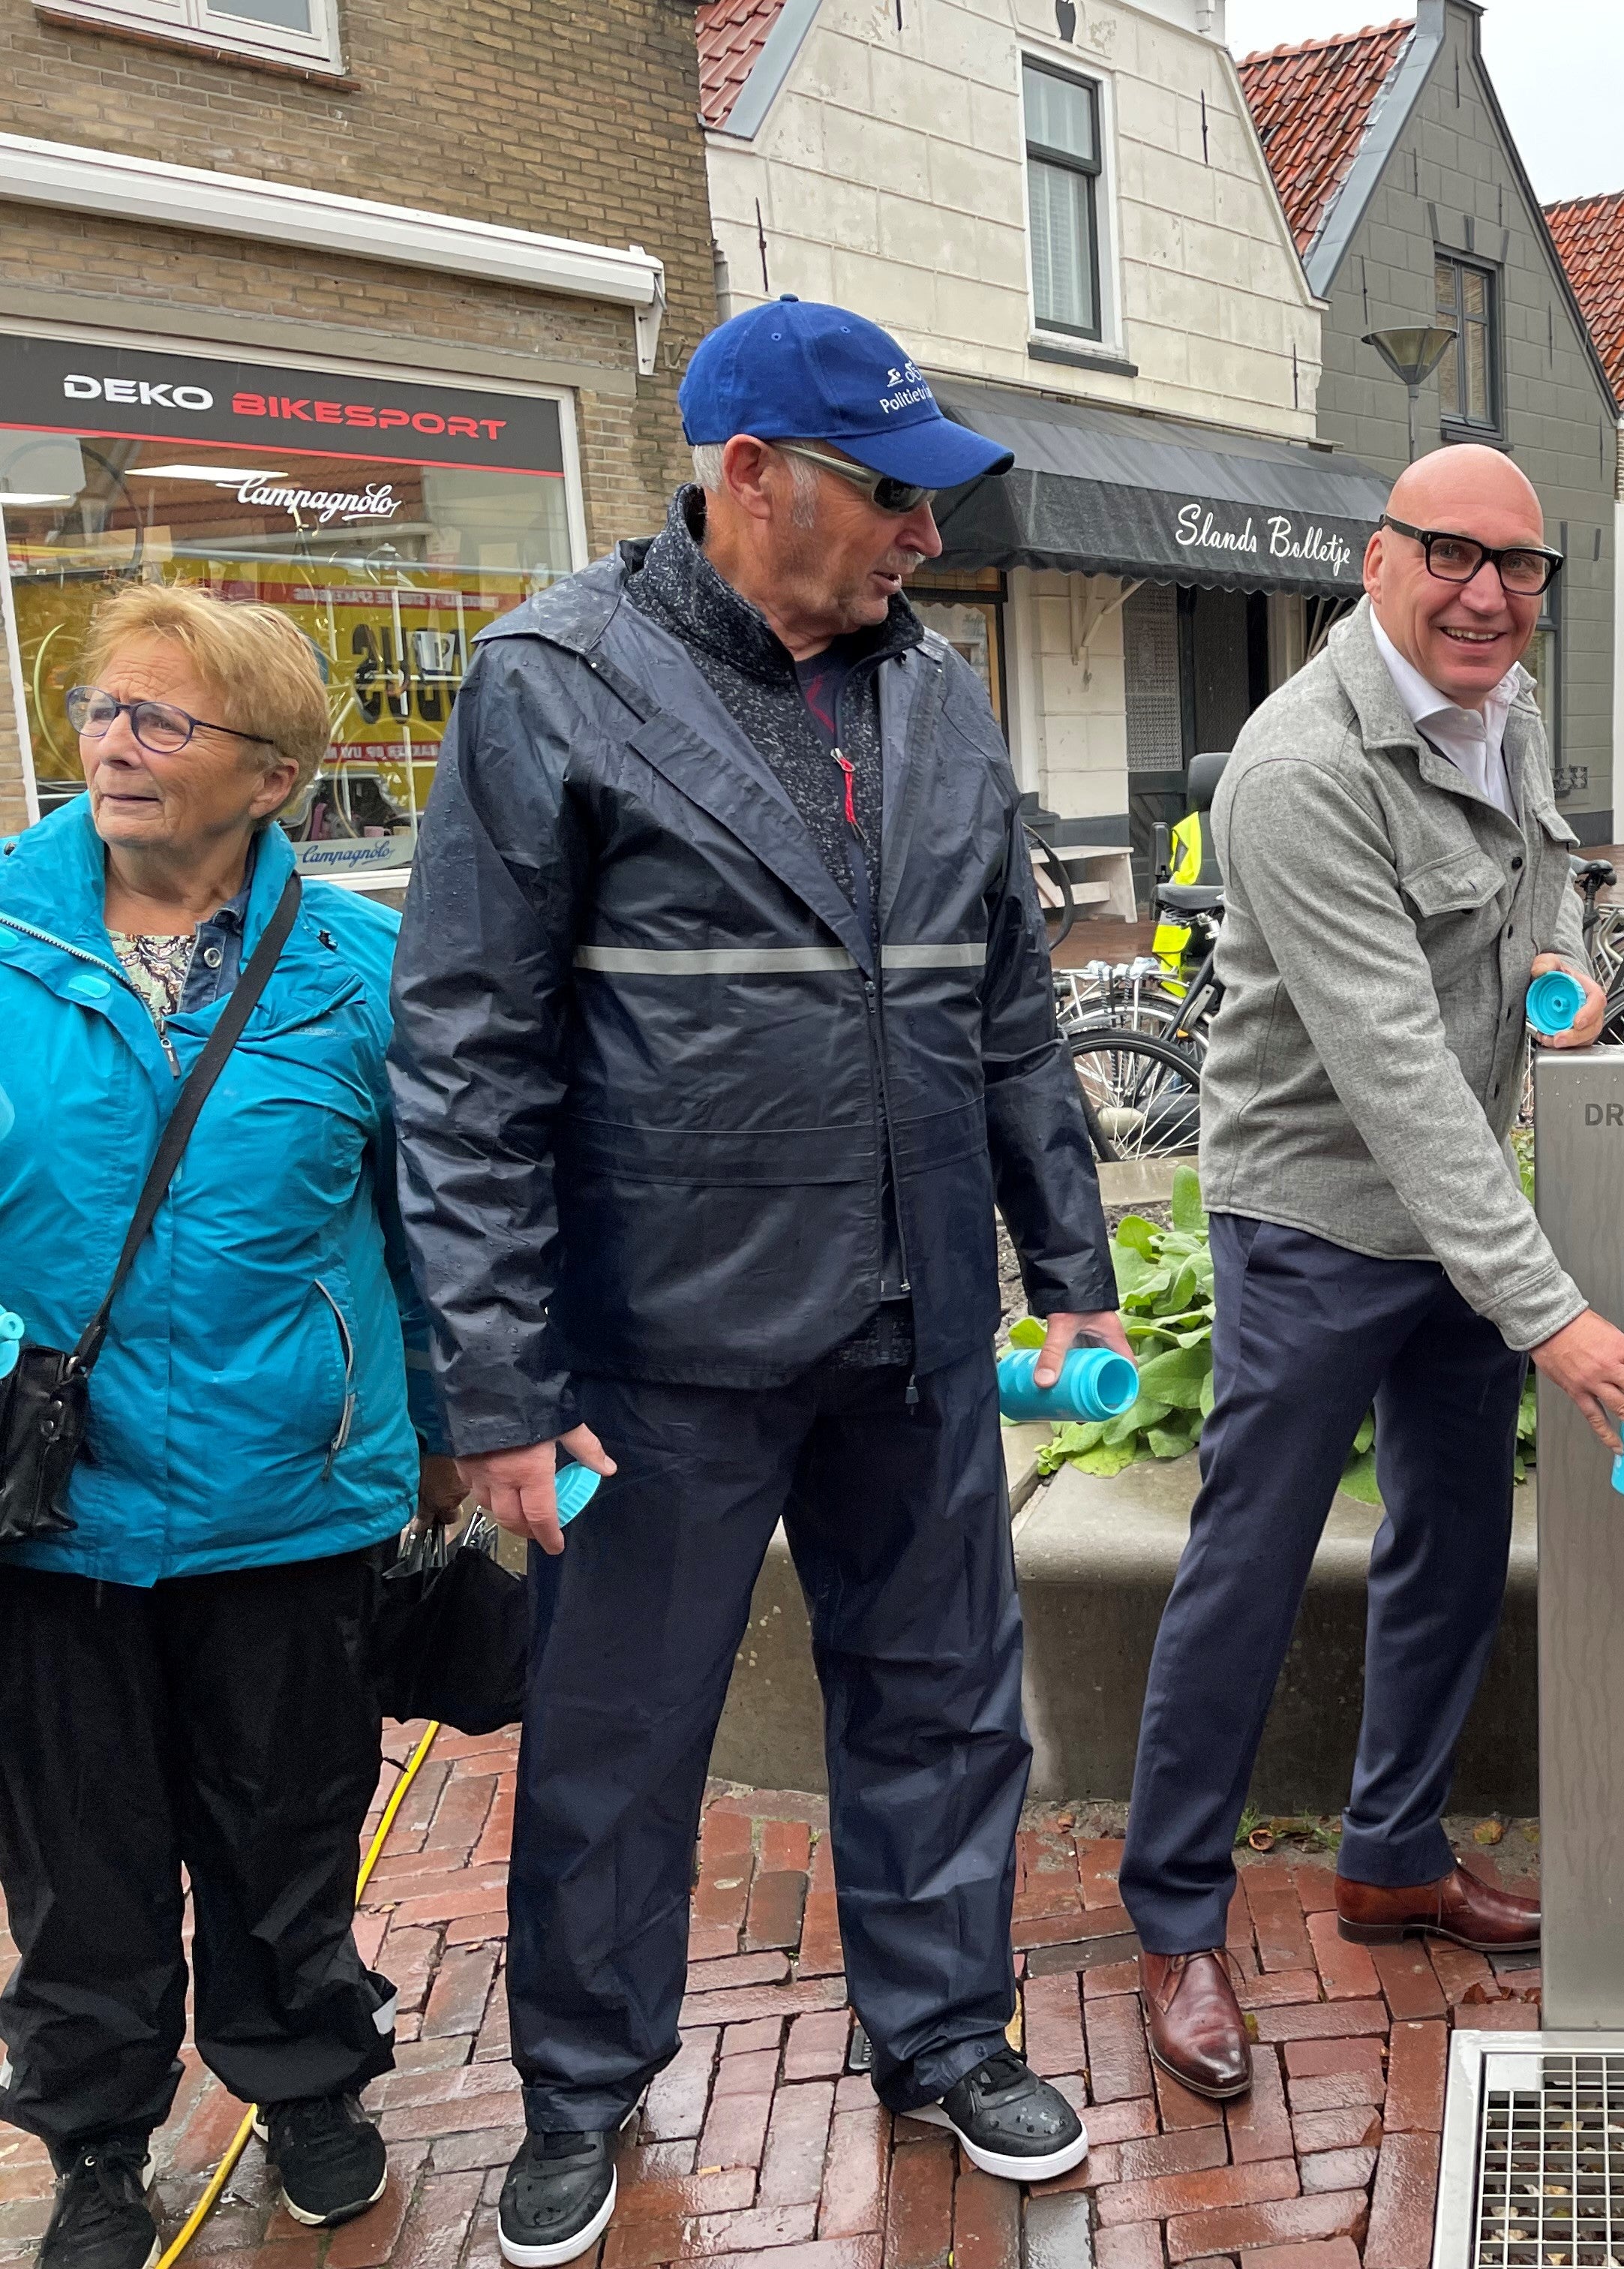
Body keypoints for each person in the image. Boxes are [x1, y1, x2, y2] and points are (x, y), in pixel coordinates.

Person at [392, 299, 1122, 2267]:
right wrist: (499, 1389)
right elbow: (466, 1062)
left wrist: (1073, 1268)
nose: (921, 534)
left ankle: (946, 2036)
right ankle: (578, 2088)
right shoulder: (552, 683)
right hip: (661, 1356)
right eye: (890, 494)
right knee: (622, 1730)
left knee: (947, 1705)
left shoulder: (944, 699)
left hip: (914, 1336)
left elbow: (1014, 1013)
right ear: (749, 478)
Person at [1119, 444, 1624, 2099]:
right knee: (1250, 1561)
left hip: (1457, 1231)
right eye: (1453, 555)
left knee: (1450, 1537)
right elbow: (1396, 1079)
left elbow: (1559, 888)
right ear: (1378, 561)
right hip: (1313, 1223)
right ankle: (1176, 1924)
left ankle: (1393, 1857)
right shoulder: (1299, 770)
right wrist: (1561, 1318)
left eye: (1521, 567)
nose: (1490, 593)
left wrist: (1570, 979)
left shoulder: (1498, 716)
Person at [0, 586, 458, 2268]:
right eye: (104, 711)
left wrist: (450, 1428)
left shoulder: (353, 966)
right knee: (79, 1859)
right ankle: (100, 2147)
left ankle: (311, 2082)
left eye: (163, 720)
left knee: (287, 1828)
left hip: (293, 1492)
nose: (115, 744)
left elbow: (423, 1221)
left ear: (273, 776)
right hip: (52, 1509)